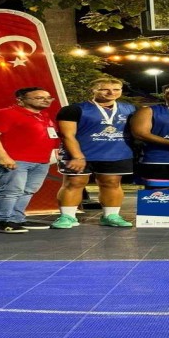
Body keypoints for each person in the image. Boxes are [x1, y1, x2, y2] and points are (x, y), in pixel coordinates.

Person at [50, 78, 136, 229]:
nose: (111, 92)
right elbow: (66, 135)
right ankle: (67, 217)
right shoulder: (73, 109)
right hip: (80, 154)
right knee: (74, 183)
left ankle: (111, 216)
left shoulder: (130, 109)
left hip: (116, 153)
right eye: (104, 89)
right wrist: (77, 156)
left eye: (116, 89)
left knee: (112, 183)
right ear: (93, 90)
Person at [0, 87, 60, 233]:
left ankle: (16, 219)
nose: (46, 100)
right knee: (11, 190)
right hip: (15, 160)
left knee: (28, 190)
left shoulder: (43, 115)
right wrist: (3, 157)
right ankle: (1, 221)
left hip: (41, 161)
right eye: (39, 98)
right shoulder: (4, 114)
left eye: (49, 98)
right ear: (20, 100)